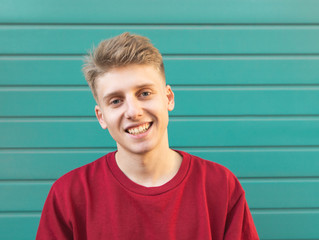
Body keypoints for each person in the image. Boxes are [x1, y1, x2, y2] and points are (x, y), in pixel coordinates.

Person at [36, 32, 259, 240]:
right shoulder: (69, 196)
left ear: (168, 98)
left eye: (144, 93)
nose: (133, 111)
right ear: (101, 116)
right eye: (116, 100)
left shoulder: (220, 186)